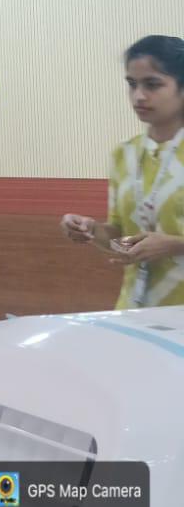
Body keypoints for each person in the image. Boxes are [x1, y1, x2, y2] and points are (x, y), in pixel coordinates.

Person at [60, 35, 184, 309]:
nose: (139, 95)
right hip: (135, 312)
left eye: (152, 84)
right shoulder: (124, 155)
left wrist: (175, 245)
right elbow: (121, 240)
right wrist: (92, 231)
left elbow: (163, 244)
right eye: (132, 84)